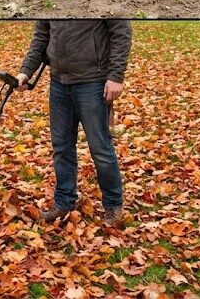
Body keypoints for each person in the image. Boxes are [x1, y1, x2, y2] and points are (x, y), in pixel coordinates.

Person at [17, 20, 132, 226]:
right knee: (61, 148)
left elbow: (121, 32)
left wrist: (116, 76)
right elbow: (42, 35)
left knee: (101, 149)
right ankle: (64, 203)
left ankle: (113, 206)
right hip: (59, 83)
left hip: (93, 82)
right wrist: (26, 70)